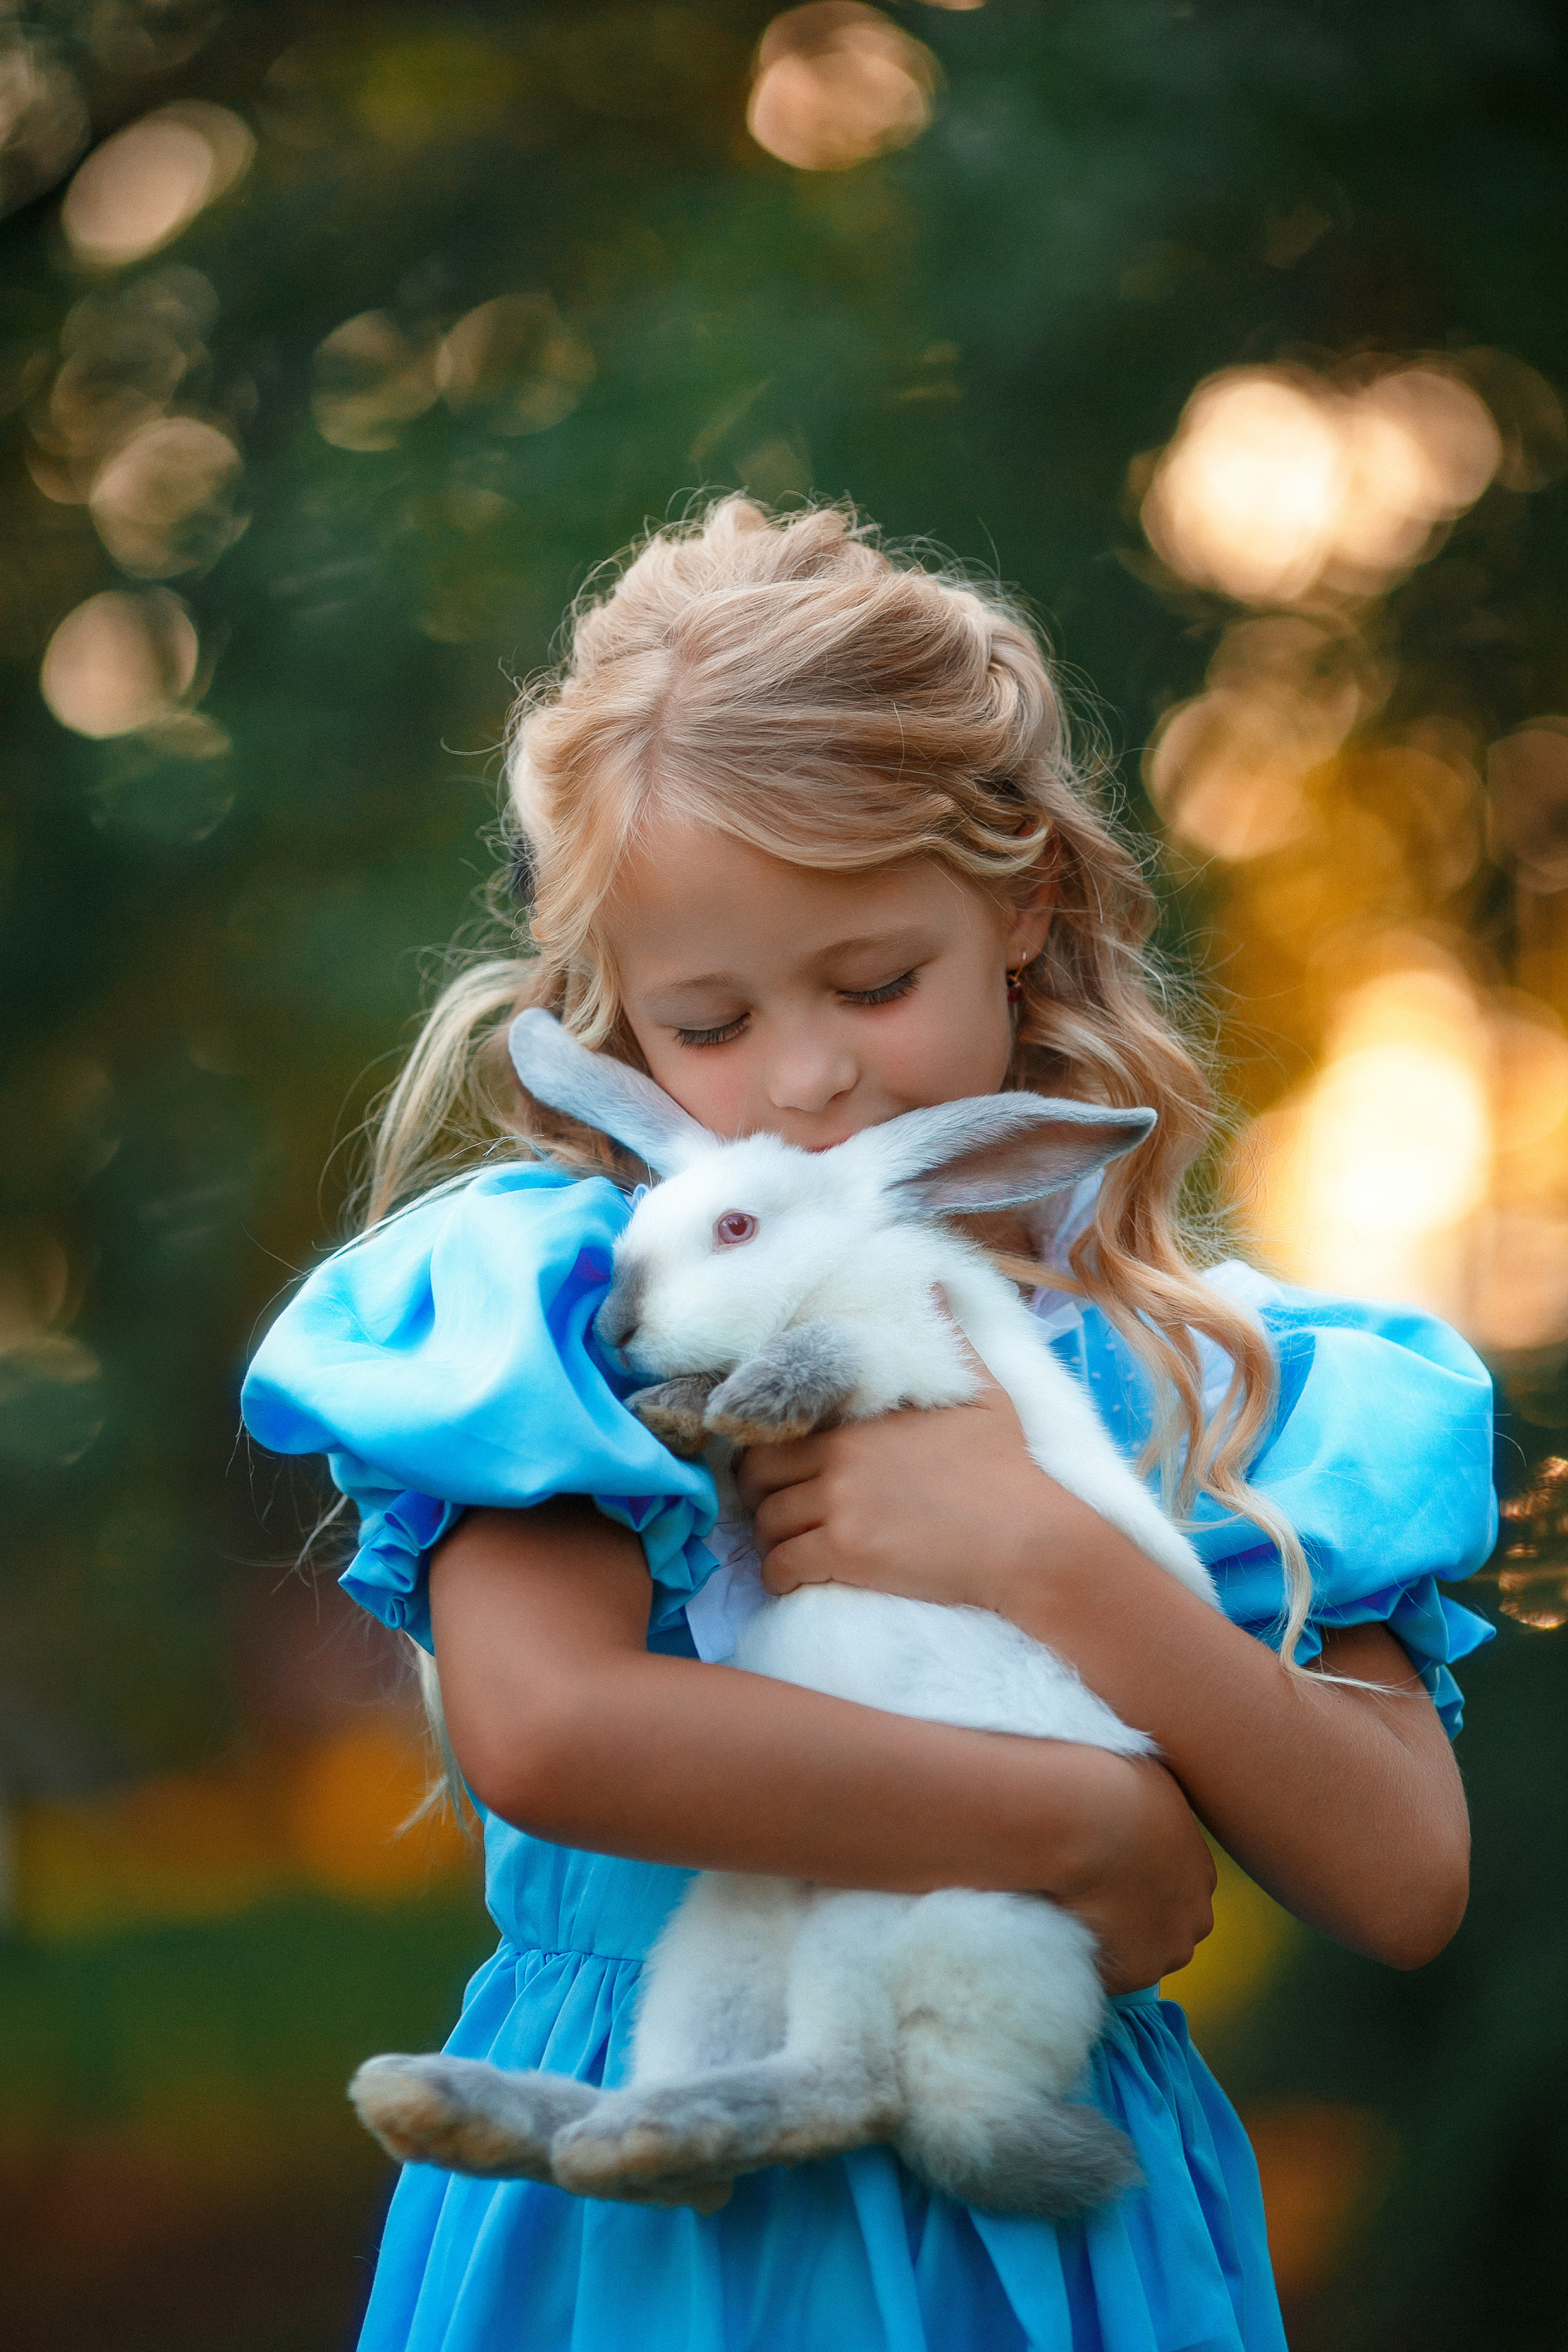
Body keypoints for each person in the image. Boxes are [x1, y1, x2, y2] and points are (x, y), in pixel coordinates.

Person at [242, 497, 1496, 2352]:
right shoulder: (586, 1303)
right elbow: (554, 1726)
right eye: (708, 1019)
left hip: (1045, 2244)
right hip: (648, 2250)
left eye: (874, 982)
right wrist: (1097, 1834)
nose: (809, 1081)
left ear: (1024, 904)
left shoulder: (1216, 1378)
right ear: (612, 1016)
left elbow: (1401, 1876)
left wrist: (1046, 1550)